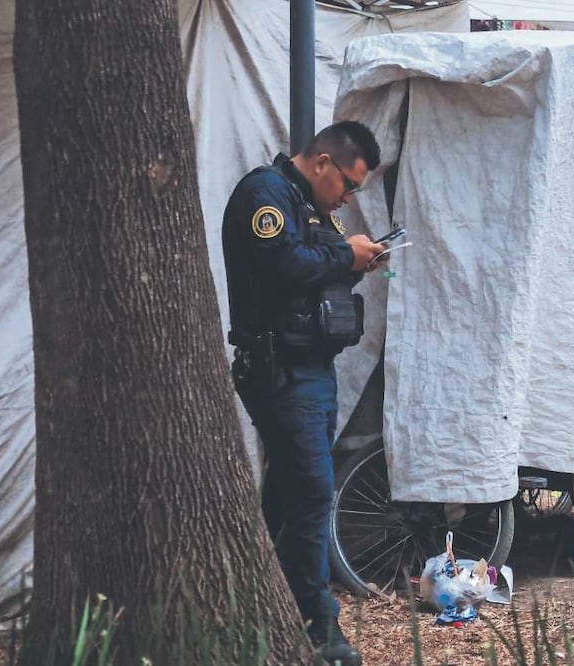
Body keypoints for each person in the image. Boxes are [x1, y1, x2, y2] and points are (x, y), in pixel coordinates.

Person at [222, 121, 386, 664]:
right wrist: (346, 256)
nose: (347, 198)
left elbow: (311, 282)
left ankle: (255, 603)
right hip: (280, 370)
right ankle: (320, 628)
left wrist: (358, 264)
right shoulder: (264, 195)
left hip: (311, 367)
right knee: (314, 492)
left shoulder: (312, 209)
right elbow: (284, 265)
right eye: (348, 185)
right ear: (322, 162)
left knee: (287, 494)